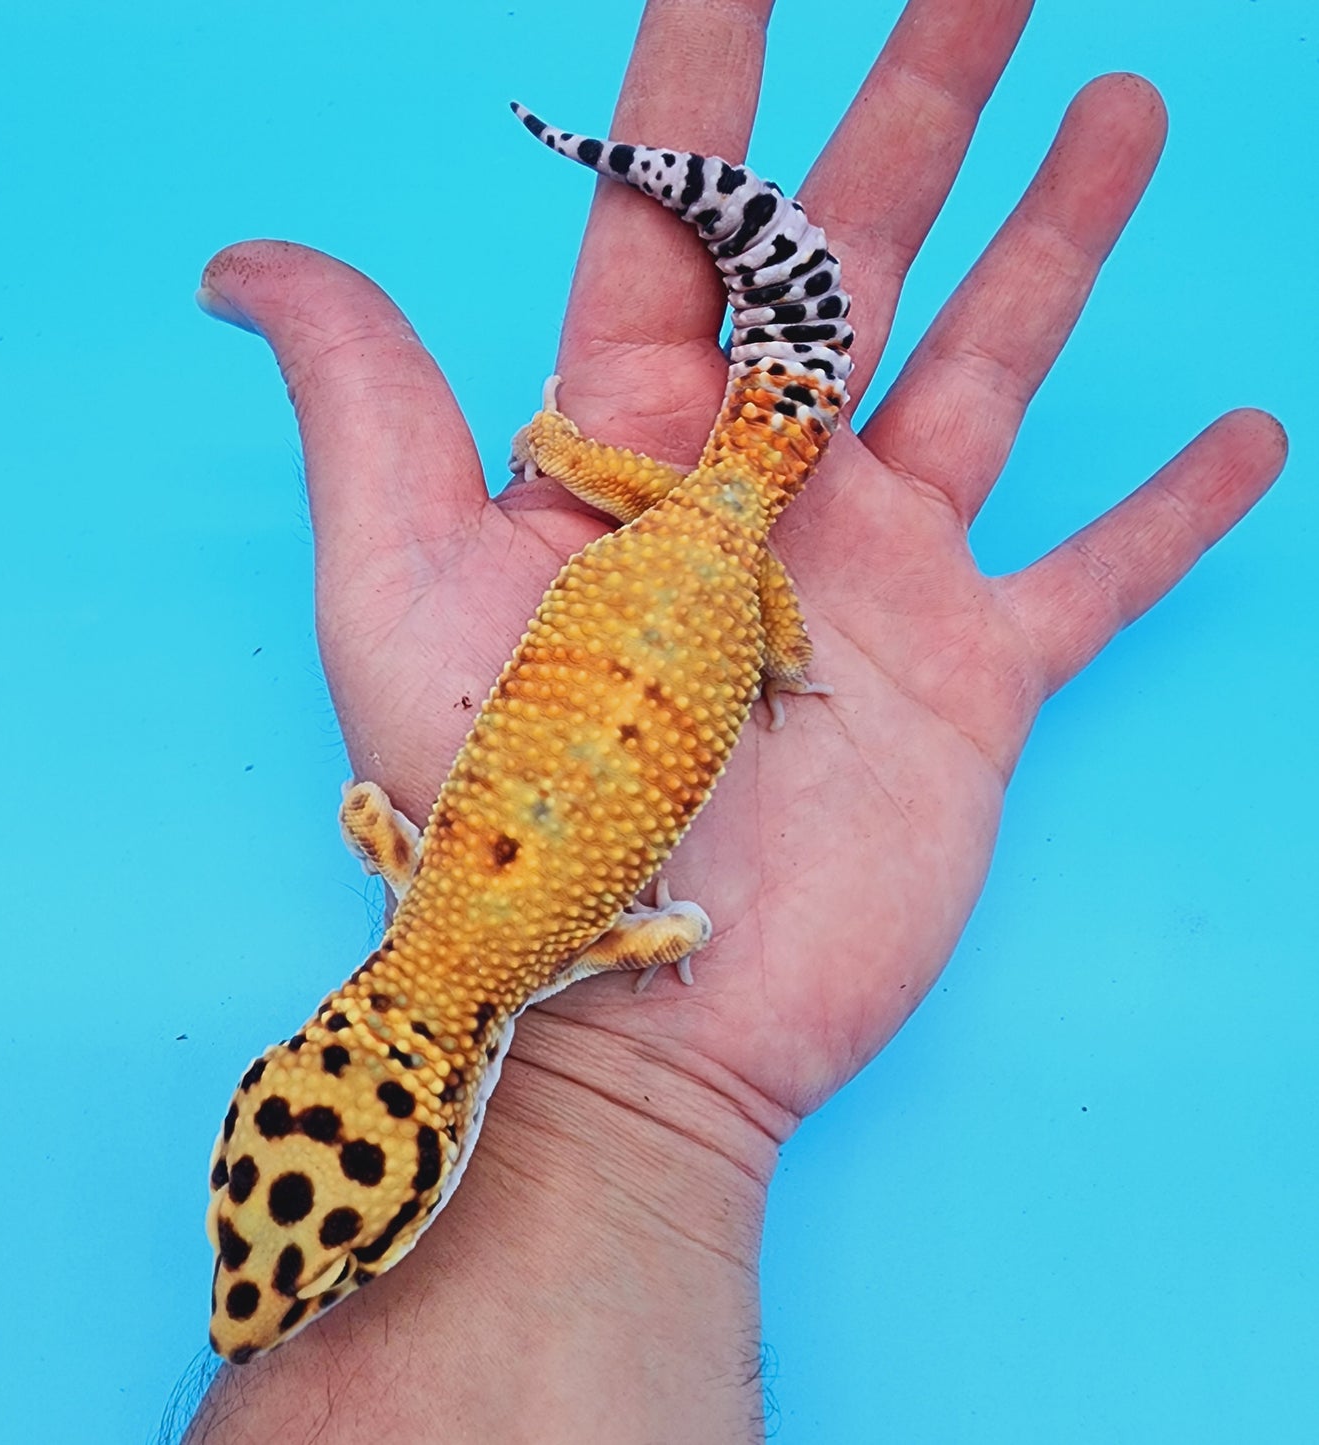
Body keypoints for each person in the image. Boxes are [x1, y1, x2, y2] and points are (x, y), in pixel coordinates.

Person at [183, 0, 1285, 1438]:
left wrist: (755, 680)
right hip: (691, 545)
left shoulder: (524, 952)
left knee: (738, 491)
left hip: (715, 561)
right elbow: (405, 839)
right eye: (331, 1255)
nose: (256, 1307)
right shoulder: (431, 893)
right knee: (740, 476)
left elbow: (656, 934)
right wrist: (683, 560)